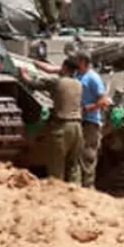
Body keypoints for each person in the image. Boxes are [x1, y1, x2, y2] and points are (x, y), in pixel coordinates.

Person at [18, 58, 83, 184]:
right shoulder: (78, 84)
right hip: (77, 127)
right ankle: (75, 190)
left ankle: (57, 192)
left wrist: (23, 74)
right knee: (73, 166)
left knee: (56, 165)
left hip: (62, 127)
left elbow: (32, 84)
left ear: (64, 67)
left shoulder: (56, 81)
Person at [73, 49, 111, 188]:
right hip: (77, 120)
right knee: (76, 154)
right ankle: (78, 185)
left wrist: (87, 109)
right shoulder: (77, 75)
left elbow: (104, 101)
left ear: (83, 61)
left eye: (77, 60)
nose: (74, 62)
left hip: (90, 122)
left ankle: (88, 186)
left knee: (88, 155)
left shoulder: (93, 78)